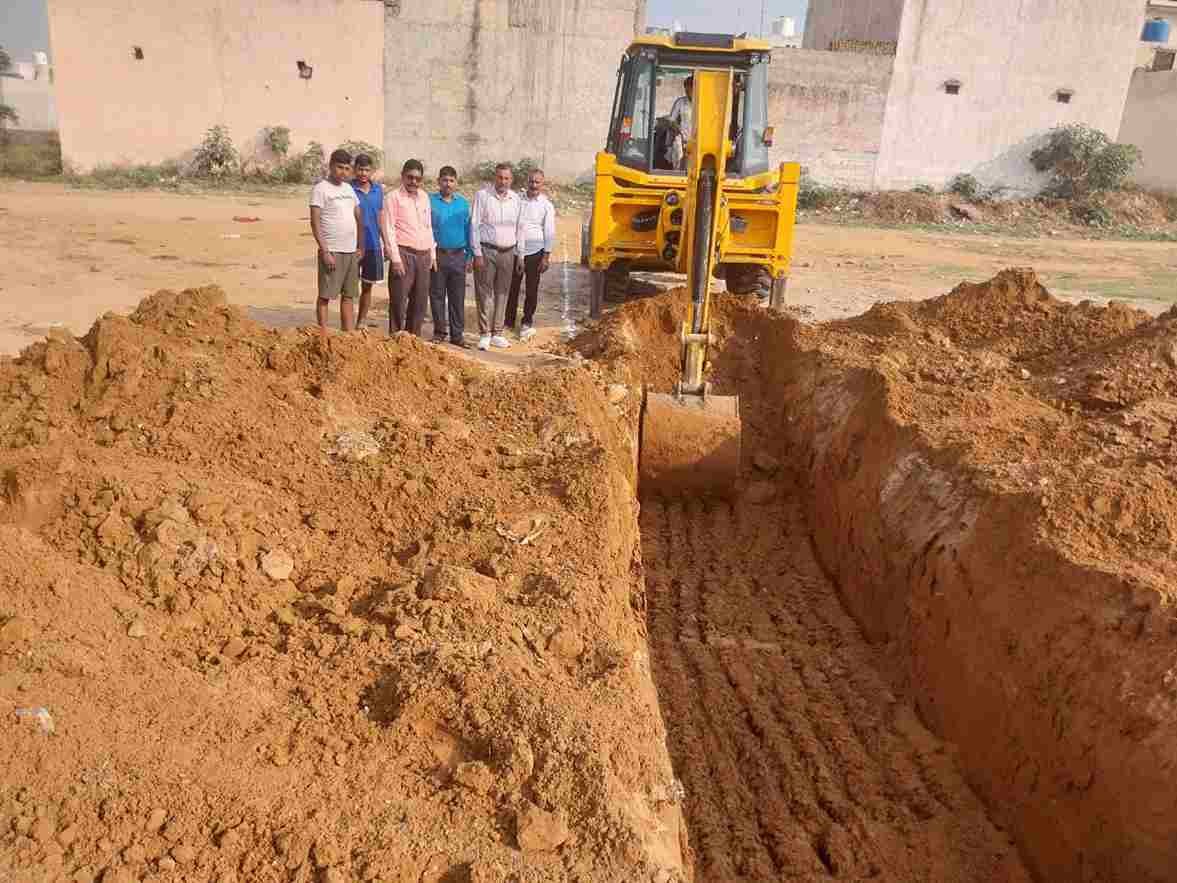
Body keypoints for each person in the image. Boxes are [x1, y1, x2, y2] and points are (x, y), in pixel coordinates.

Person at [309, 149, 364, 335]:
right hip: (332, 250)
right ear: (331, 166)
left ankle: (347, 335)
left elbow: (358, 217)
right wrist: (324, 251)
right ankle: (322, 334)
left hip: (350, 251)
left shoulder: (349, 189)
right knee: (325, 295)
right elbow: (315, 222)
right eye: (340, 167)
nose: (343, 172)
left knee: (348, 296)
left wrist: (360, 246)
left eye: (347, 168)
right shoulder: (320, 189)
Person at [471, 162, 523, 351]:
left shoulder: (516, 199)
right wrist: (476, 253)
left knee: (502, 293)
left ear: (512, 180)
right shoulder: (482, 196)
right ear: (495, 177)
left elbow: (520, 227)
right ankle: (484, 334)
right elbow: (474, 225)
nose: (503, 181)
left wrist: (521, 255)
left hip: (508, 252)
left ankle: (498, 333)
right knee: (484, 293)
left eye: (507, 178)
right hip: (487, 251)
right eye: (500, 177)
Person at [384, 158, 435, 336]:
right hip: (403, 254)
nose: (414, 182)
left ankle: (413, 340)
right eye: (410, 177)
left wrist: (432, 255)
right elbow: (389, 229)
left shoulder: (424, 197)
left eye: (418, 179)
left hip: (424, 255)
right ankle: (396, 338)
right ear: (403, 176)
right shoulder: (393, 197)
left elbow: (428, 227)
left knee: (420, 301)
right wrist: (395, 259)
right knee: (398, 300)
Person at [505, 168, 555, 341]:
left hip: (536, 253)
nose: (533, 185)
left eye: (537, 182)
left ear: (542, 184)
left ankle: (527, 321)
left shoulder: (546, 205)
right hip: (517, 251)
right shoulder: (518, 200)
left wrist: (546, 256)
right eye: (531, 181)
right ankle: (508, 321)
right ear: (527, 182)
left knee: (531, 290)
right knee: (512, 288)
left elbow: (549, 231)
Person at [429, 166, 474, 348]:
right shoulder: (430, 201)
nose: (448, 184)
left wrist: (469, 255)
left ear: (456, 183)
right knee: (437, 295)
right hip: (438, 255)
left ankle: (457, 335)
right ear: (439, 181)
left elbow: (468, 230)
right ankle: (439, 332)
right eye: (445, 180)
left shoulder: (463, 204)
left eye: (451, 180)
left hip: (458, 256)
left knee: (457, 297)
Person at [351, 153, 392, 329]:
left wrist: (386, 243)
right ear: (355, 169)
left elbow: (381, 216)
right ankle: (347, 322)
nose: (363, 173)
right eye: (360, 169)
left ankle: (361, 321)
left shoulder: (378, 190)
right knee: (349, 288)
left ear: (371, 171)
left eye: (367, 170)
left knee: (367, 286)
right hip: (352, 245)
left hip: (373, 245)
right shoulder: (348, 189)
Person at [668, 75, 694, 168]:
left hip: (697, 140)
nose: (687, 93)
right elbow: (671, 120)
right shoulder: (680, 102)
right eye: (686, 90)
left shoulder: (703, 103)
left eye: (689, 90)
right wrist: (677, 128)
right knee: (677, 149)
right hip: (683, 138)